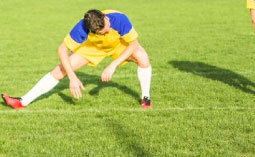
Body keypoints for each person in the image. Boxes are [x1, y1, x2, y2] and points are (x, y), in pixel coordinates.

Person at [2, 9, 152, 109]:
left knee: (143, 58)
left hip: (119, 43)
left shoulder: (119, 19)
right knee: (60, 70)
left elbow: (133, 44)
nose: (107, 30)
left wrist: (113, 65)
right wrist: (72, 77)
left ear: (104, 17)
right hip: (93, 48)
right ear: (93, 30)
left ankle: (146, 98)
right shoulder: (82, 28)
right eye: (102, 32)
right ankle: (22, 101)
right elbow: (62, 50)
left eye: (107, 27)